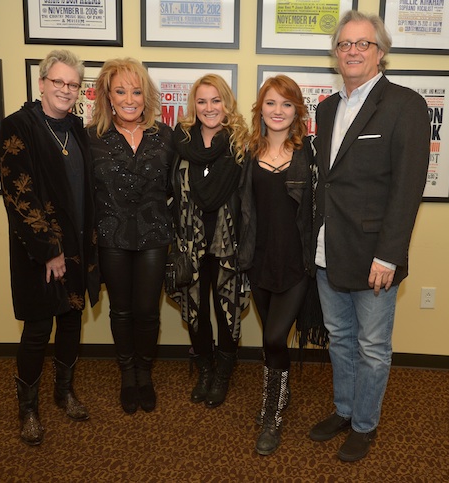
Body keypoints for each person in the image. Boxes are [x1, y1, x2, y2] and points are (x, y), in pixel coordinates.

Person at [309, 10, 430, 462]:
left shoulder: (405, 105)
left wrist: (390, 254)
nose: (353, 51)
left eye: (363, 44)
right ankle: (344, 410)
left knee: (372, 347)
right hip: (328, 249)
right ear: (336, 54)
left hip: (374, 255)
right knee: (339, 338)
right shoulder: (326, 108)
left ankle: (364, 424)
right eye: (345, 44)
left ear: (380, 52)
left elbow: (407, 189)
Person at [0, 49, 100, 446]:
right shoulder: (17, 127)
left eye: (73, 84)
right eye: (57, 81)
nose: (65, 89)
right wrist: (49, 250)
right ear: (41, 83)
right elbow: (19, 197)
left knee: (71, 321)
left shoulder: (76, 128)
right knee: (39, 328)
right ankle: (28, 409)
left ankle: (64, 392)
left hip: (77, 248)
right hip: (37, 252)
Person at [239, 75, 326, 455]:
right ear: (262, 108)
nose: (278, 111)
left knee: (275, 337)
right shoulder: (247, 151)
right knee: (269, 340)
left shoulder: (310, 153)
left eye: (286, 104)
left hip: (296, 263)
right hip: (258, 261)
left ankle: (272, 415)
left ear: (297, 111)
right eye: (271, 103)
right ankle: (280, 392)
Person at [87, 58, 174, 414]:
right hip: (112, 238)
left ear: (146, 96)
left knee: (148, 311)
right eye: (121, 90)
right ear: (107, 95)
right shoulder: (90, 137)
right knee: (121, 311)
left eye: (136, 91)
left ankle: (146, 374)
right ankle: (128, 375)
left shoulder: (165, 136)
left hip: (155, 236)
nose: (129, 98)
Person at [169, 74, 250, 408]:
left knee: (225, 305)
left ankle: (223, 371)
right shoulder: (180, 141)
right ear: (193, 106)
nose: (209, 108)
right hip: (189, 241)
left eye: (216, 100)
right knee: (197, 306)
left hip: (229, 241)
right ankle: (205, 368)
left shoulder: (242, 143)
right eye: (201, 101)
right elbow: (168, 189)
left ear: (226, 103)